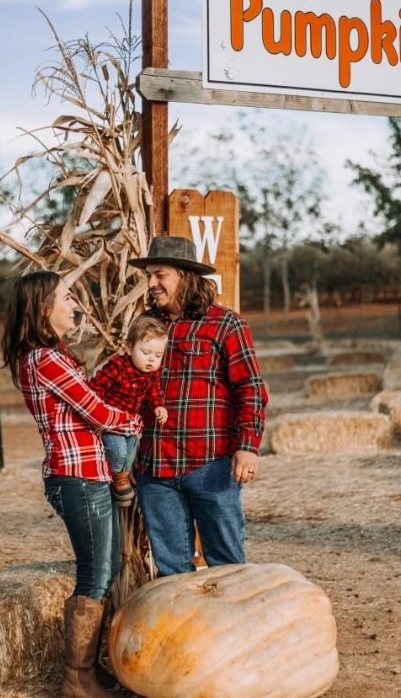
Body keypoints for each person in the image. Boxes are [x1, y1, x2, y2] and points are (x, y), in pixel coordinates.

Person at [2, 270, 139, 697]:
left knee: (105, 568)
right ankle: (76, 679)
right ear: (44, 308)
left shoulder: (46, 356)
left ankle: (85, 674)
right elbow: (96, 412)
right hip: (77, 475)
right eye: (67, 297)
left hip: (84, 473)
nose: (75, 302)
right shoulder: (45, 359)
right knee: (95, 572)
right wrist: (133, 421)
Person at [127, 235, 268, 576]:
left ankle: (234, 630)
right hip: (155, 469)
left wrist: (248, 447)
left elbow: (250, 388)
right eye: (149, 275)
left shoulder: (225, 324)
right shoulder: (147, 325)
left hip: (211, 467)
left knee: (227, 566)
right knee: (172, 571)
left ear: (185, 276)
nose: (151, 283)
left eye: (160, 274)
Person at [89, 316, 168, 507]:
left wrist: (158, 405)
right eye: (146, 352)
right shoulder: (118, 367)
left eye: (158, 356)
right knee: (117, 448)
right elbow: (96, 386)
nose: (152, 359)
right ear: (130, 348)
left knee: (131, 448)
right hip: (110, 420)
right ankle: (118, 475)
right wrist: (97, 410)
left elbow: (153, 390)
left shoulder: (151, 373)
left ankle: (119, 475)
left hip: (129, 422)